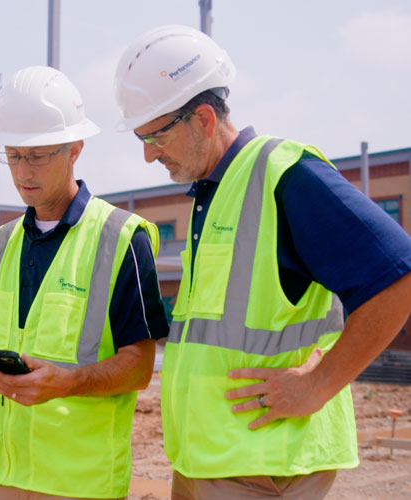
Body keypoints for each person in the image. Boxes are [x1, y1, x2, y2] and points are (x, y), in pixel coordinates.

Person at [113, 25, 411, 500]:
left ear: (204, 119)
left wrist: (318, 384)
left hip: (265, 465)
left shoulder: (284, 174)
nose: (149, 155)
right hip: (208, 458)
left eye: (156, 136)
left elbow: (399, 276)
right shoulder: (212, 195)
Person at [0, 65, 169, 500]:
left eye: (38, 155)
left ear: (75, 150)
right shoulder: (0, 244)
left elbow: (140, 367)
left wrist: (66, 382)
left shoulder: (121, 238)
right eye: (13, 155)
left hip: (78, 482)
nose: (23, 171)